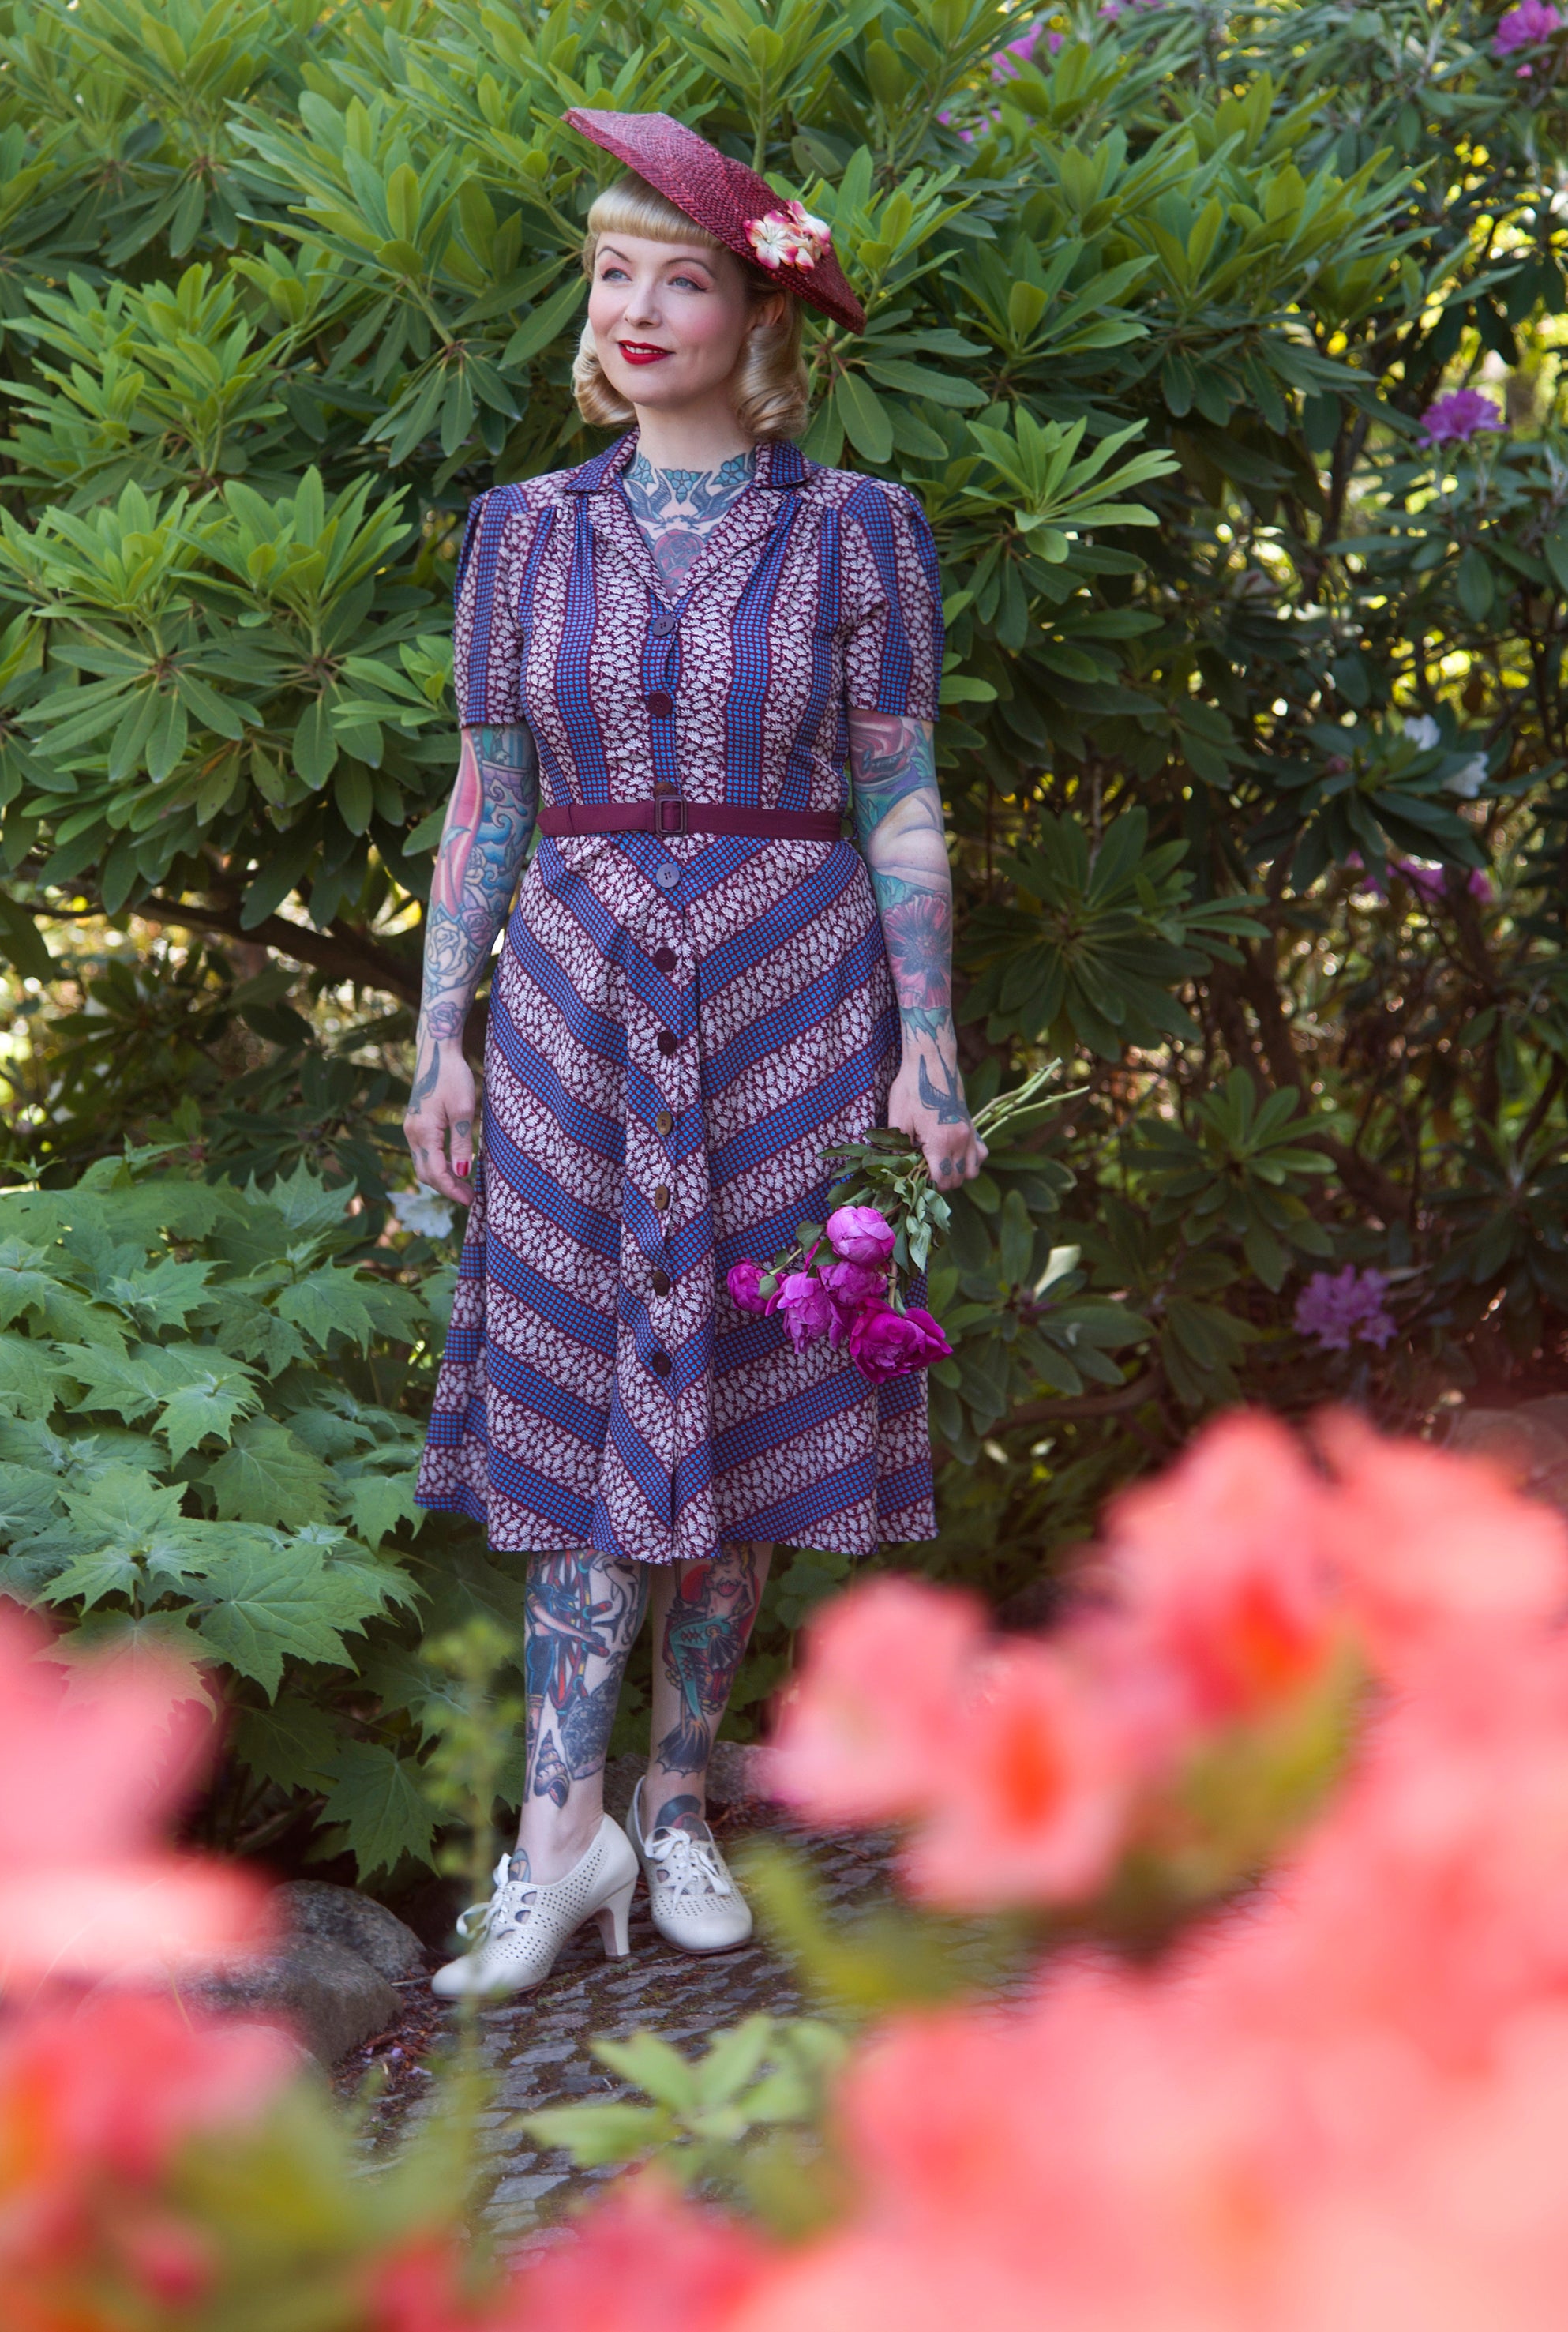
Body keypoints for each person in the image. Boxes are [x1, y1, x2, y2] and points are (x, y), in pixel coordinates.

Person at [407, 110, 985, 1998]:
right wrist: (437, 1041)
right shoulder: (520, 534)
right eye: (608, 273)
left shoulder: (857, 533)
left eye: (682, 279)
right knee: (577, 1389)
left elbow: (898, 796)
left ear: (760, 318)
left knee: (747, 1385)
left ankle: (670, 1806)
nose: (635, 309)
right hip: (571, 1005)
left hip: (789, 999)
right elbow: (486, 801)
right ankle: (553, 1836)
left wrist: (927, 1044)